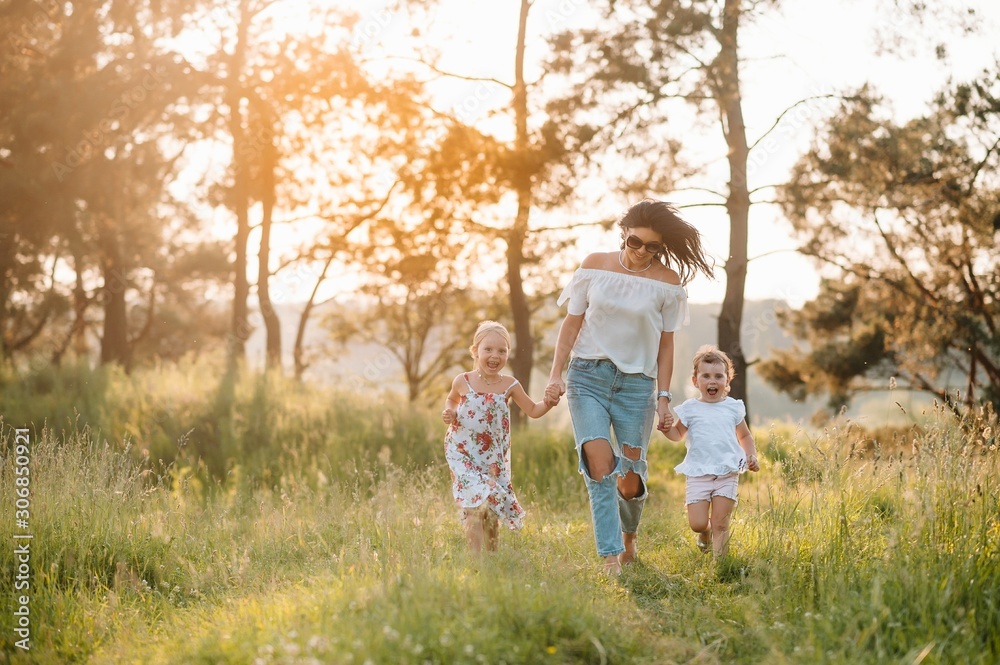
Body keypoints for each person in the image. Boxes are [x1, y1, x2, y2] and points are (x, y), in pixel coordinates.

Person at [545, 198, 714, 574]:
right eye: (635, 242)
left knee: (629, 477)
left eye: (652, 247)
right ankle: (609, 557)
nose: (641, 252)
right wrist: (555, 374)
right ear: (624, 234)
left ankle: (628, 538)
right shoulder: (593, 266)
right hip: (587, 376)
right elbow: (570, 325)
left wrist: (664, 398)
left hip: (638, 387)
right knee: (600, 465)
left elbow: (666, 344)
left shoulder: (667, 283)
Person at [442, 320, 558, 554]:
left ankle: (492, 557)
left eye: (502, 351)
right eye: (488, 349)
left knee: (491, 505)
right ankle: (476, 562)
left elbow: (533, 410)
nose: (495, 355)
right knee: (474, 504)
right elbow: (452, 399)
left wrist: (549, 402)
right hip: (461, 452)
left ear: (508, 354)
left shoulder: (509, 385)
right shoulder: (462, 381)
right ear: (475, 351)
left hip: (492, 458)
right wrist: (450, 411)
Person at [660, 345, 760, 558]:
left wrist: (751, 455)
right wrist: (666, 429)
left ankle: (720, 566)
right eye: (706, 376)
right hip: (698, 473)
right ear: (696, 381)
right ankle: (704, 534)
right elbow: (678, 434)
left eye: (718, 376)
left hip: (727, 472)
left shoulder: (733, 408)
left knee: (720, 525)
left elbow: (745, 436)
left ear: (727, 380)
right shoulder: (690, 408)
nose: (712, 381)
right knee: (697, 523)